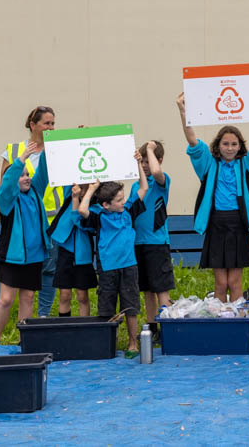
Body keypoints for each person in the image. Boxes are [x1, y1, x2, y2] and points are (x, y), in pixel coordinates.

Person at [176, 93, 249, 302]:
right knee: (220, 284)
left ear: (240, 146)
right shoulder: (208, 163)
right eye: (226, 144)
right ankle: (222, 320)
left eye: (234, 144)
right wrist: (183, 111)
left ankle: (237, 322)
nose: (230, 148)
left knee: (235, 283)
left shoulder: (246, 165)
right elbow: (192, 141)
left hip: (237, 225)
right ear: (218, 145)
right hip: (216, 224)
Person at [0, 106, 63, 333]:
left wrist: (76, 139)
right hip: (16, 236)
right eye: (46, 123)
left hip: (46, 227)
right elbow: (4, 187)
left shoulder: (50, 159)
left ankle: (34, 325)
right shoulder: (15, 153)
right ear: (33, 124)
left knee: (38, 284)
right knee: (7, 290)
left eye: (53, 123)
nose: (51, 127)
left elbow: (47, 173)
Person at [78, 153, 148, 358]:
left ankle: (133, 343)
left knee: (131, 305)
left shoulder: (128, 211)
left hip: (129, 265)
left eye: (123, 198)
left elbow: (143, 188)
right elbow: (83, 210)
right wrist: (91, 189)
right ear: (106, 205)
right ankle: (108, 342)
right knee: (106, 307)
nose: (123, 201)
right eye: (118, 200)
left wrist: (137, 163)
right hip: (107, 267)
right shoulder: (99, 216)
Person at [0, 141, 51, 344]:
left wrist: (54, 148)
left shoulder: (35, 193)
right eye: (22, 175)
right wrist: (21, 159)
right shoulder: (8, 200)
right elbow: (6, 186)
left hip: (34, 256)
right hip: (13, 256)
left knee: (28, 298)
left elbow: (44, 171)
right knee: (6, 299)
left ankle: (24, 341)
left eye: (27, 174)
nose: (27, 178)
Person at [130, 140, 174, 343]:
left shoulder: (162, 181)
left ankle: (168, 328)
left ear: (159, 160)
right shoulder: (134, 186)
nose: (146, 165)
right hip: (137, 243)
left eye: (149, 161)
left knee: (160, 288)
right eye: (143, 162)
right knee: (146, 289)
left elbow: (156, 172)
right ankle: (152, 327)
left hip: (157, 243)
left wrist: (149, 149)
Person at [47, 183, 97, 316]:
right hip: (65, 250)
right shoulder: (70, 193)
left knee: (82, 295)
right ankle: (65, 329)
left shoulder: (95, 202)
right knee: (64, 294)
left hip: (83, 253)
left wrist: (87, 193)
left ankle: (85, 331)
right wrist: (75, 196)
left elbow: (80, 220)